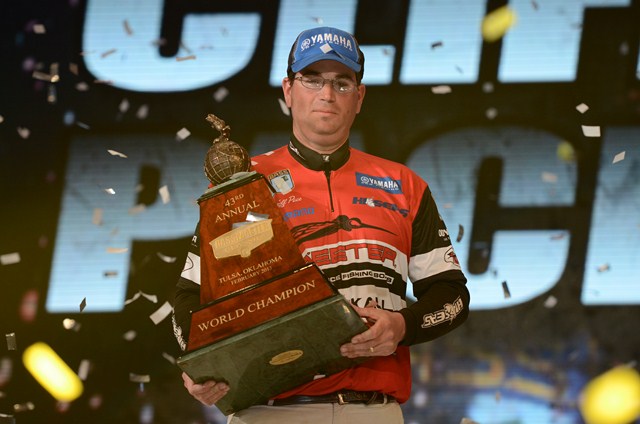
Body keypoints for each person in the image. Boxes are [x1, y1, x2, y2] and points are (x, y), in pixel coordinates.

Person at [172, 26, 470, 424]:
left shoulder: (404, 186)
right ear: (288, 90)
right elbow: (189, 297)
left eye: (341, 82)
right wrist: (198, 363)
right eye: (311, 79)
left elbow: (452, 296)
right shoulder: (244, 185)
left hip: (374, 412)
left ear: (359, 97)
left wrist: (403, 325)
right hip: (267, 410)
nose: (326, 94)